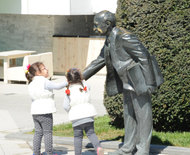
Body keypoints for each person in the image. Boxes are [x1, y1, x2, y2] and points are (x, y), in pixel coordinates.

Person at [82, 10, 163, 155]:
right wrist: (79, 77)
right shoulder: (109, 39)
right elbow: (99, 61)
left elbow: (144, 56)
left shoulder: (125, 37)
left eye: (96, 25)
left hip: (140, 82)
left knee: (143, 117)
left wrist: (150, 83)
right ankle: (127, 148)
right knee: (129, 116)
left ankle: (143, 150)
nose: (95, 28)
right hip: (127, 83)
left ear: (107, 24)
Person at [25, 62, 68, 155]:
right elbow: (58, 86)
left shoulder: (31, 83)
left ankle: (36, 153)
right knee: (48, 132)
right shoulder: (44, 81)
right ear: (38, 73)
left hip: (35, 111)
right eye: (44, 68)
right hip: (45, 111)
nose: (47, 69)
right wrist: (67, 81)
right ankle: (49, 153)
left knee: (38, 132)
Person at [63, 68, 104, 155]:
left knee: (78, 137)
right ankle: (98, 148)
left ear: (68, 80)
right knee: (91, 133)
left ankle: (78, 153)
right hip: (88, 115)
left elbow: (65, 106)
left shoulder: (69, 91)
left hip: (76, 117)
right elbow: (87, 85)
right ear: (80, 77)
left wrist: (71, 110)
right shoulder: (85, 86)